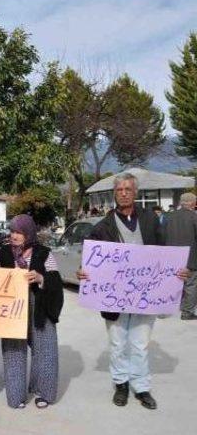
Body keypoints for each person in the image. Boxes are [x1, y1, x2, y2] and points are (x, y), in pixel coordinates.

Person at [77, 173, 189, 410]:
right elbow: (91, 261)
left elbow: (165, 251)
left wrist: (176, 272)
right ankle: (121, 384)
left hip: (145, 296)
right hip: (114, 298)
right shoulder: (102, 227)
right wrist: (83, 272)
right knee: (118, 344)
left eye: (128, 189)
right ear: (114, 194)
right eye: (120, 189)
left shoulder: (150, 220)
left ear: (135, 193)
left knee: (140, 344)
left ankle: (141, 386)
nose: (124, 193)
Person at [0, 214, 64, 409]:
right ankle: (16, 396)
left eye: (19, 232)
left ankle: (44, 392)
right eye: (12, 231)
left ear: (29, 233)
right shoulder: (2, 253)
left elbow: (56, 281)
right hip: (12, 309)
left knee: (45, 349)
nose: (15, 236)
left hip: (40, 306)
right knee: (13, 351)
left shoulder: (44, 253)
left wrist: (40, 278)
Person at [164, 192, 197, 320]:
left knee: (173, 282)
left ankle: (166, 308)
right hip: (191, 256)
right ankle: (187, 312)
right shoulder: (194, 217)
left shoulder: (168, 216)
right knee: (191, 284)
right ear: (192, 203)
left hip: (172, 256)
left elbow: (162, 235)